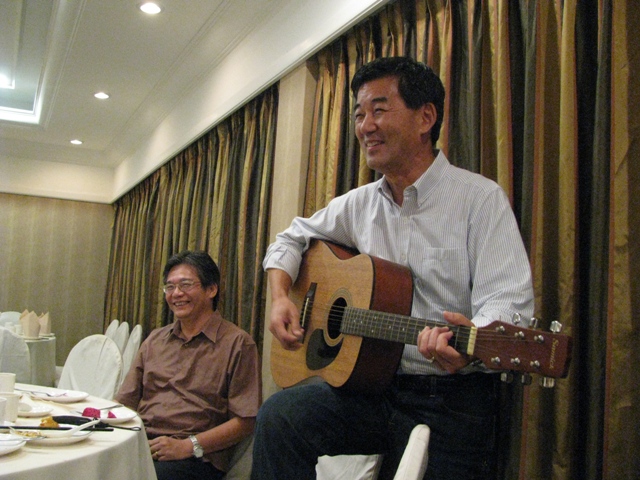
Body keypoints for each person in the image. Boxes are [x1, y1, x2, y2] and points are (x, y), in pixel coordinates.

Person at [251, 57, 534, 479]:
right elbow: (291, 238)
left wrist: (469, 346)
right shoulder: (358, 203)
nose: (365, 126)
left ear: (426, 117)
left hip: (453, 397)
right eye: (359, 114)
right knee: (280, 418)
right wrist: (279, 297)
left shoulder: (479, 199)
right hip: (373, 389)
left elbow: (510, 307)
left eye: (379, 110)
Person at [116, 250, 261, 480]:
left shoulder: (238, 344)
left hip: (194, 458)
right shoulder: (155, 340)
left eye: (185, 284)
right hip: (141, 442)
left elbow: (246, 421)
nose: (176, 294)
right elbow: (124, 402)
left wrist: (187, 446)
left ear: (211, 289)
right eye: (170, 287)